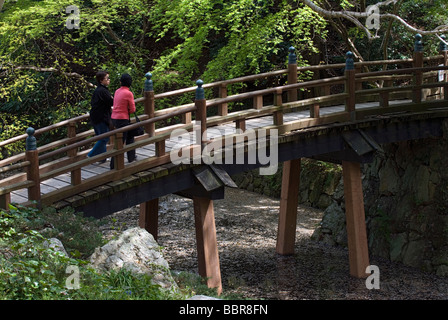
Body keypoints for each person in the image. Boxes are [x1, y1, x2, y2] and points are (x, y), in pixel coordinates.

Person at [110, 73, 137, 169]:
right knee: (120, 142)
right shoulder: (129, 93)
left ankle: (131, 157)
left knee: (129, 136)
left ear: (121, 82)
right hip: (123, 119)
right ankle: (113, 165)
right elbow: (132, 110)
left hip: (114, 118)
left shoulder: (117, 91)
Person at [87, 71, 113, 162]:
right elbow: (111, 102)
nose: (109, 80)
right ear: (101, 80)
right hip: (100, 117)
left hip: (96, 116)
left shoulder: (99, 90)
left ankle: (102, 158)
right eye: (107, 78)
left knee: (101, 137)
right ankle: (91, 155)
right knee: (104, 138)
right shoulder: (102, 91)